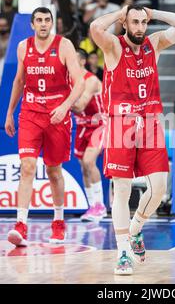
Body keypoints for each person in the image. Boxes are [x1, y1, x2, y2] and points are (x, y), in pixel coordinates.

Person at [90, 4, 175, 274]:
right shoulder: (113, 46)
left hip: (149, 124)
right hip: (120, 125)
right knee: (122, 189)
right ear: (125, 23)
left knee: (159, 188)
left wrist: (153, 13)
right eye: (134, 22)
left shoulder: (153, 44)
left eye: (142, 22)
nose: (139, 28)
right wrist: (120, 12)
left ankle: (135, 229)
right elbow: (95, 28)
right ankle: (123, 252)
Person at [4, 7, 84, 247]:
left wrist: (66, 106)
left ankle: (58, 222)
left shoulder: (64, 45)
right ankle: (21, 225)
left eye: (47, 20)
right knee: (27, 166)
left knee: (53, 171)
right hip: (30, 113)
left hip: (57, 115)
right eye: (38, 20)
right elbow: (19, 81)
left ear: (52, 23)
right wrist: (10, 112)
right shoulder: (23, 47)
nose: (43, 24)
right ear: (31, 24)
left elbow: (79, 82)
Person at [72, 49, 107, 222]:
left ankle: (100, 207)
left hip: (98, 125)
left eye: (73, 59)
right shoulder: (69, 81)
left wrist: (60, 100)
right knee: (83, 167)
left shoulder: (91, 80)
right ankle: (92, 206)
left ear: (82, 61)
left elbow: (80, 105)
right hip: (81, 127)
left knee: (89, 162)